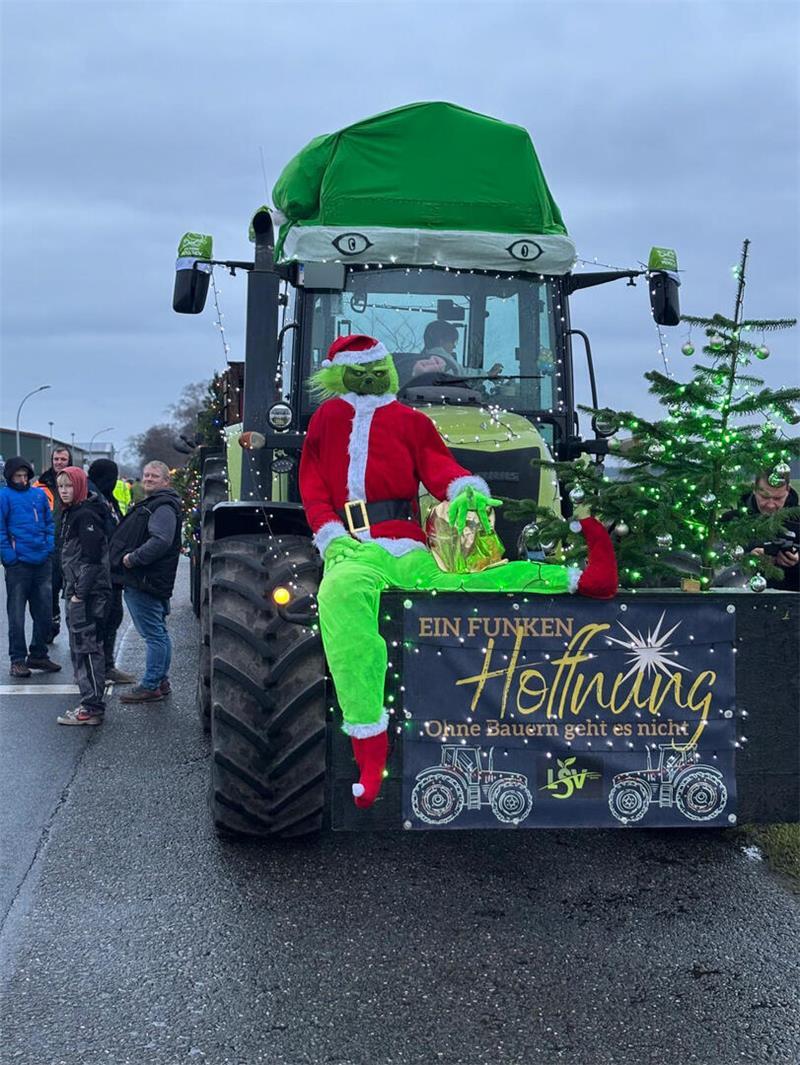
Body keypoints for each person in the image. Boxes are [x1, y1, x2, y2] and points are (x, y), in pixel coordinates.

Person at [300, 334, 617, 809]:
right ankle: (369, 745)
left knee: (460, 583)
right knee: (341, 599)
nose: (367, 381)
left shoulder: (411, 420)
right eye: (357, 373)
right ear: (339, 375)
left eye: (374, 372)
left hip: (408, 541)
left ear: (386, 372)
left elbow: (437, 465)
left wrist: (462, 488)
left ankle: (578, 579)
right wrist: (331, 535)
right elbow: (312, 482)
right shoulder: (327, 420)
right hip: (351, 544)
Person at [109, 461, 182, 703]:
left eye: (154, 476)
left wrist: (132, 559)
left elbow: (160, 541)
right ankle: (161, 681)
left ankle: (151, 685)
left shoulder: (162, 507)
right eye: (146, 475)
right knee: (158, 632)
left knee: (154, 635)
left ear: (165, 481)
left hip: (145, 579)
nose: (148, 479)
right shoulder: (158, 503)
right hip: (149, 579)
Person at [55, 466, 112, 725]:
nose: (64, 491)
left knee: (87, 649)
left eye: (68, 486)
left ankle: (91, 707)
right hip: (80, 590)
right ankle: (90, 704)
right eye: (61, 486)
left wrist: (79, 595)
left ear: (79, 486)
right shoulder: (74, 512)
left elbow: (91, 560)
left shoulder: (85, 514)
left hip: (88, 594)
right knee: (84, 648)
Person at [0, 457, 61, 677]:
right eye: (18, 476)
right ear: (10, 476)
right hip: (18, 565)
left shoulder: (37, 494)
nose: (22, 479)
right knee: (16, 615)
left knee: (44, 613)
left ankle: (38, 654)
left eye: (25, 475)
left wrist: (48, 548)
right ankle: (17, 659)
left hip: (42, 561)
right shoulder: (3, 496)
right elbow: (1, 530)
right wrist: (9, 557)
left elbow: (48, 523)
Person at [88, 459, 136, 683]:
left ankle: (107, 666)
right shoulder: (92, 500)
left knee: (114, 617)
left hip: (114, 572)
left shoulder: (108, 498)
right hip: (100, 572)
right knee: (99, 620)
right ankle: (96, 669)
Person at [728, 470, 799, 591]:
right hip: (739, 600)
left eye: (778, 498)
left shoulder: (797, 521)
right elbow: (715, 567)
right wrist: (747, 560)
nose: (771, 505)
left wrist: (795, 562)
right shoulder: (731, 521)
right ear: (754, 489)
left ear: (788, 491)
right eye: (765, 497)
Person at [35, 444, 72, 638]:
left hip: (72, 547)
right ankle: (52, 623)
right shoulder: (40, 485)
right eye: (56, 459)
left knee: (73, 592)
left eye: (63, 459)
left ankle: (74, 632)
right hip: (49, 547)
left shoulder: (77, 483)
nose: (59, 462)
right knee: (49, 591)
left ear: (69, 461)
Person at [412, 320, 503, 379]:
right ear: (441, 341)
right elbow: (462, 373)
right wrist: (487, 374)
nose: (454, 347)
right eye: (453, 342)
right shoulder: (443, 358)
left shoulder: (421, 360)